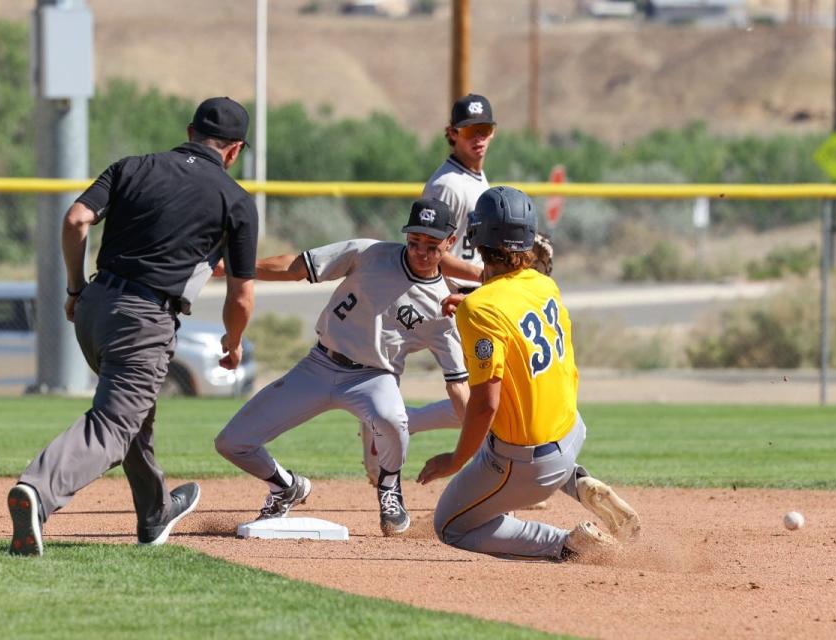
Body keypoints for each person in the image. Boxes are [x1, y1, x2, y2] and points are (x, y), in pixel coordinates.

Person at [6, 97, 258, 556]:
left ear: (189, 131)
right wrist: (234, 341)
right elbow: (241, 296)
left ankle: (155, 513)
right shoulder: (235, 200)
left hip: (94, 307)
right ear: (235, 150)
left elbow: (76, 219)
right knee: (114, 423)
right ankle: (37, 492)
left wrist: (76, 287)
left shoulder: (132, 166)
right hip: (145, 320)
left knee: (132, 414)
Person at [214, 198, 477, 537]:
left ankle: (389, 488)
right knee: (231, 442)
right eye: (414, 241)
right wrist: (240, 268)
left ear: (450, 243)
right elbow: (296, 267)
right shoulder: (369, 253)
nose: (420, 251)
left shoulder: (443, 307)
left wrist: (477, 443)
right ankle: (286, 486)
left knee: (394, 419)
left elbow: (457, 385)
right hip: (319, 364)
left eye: (431, 245)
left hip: (374, 377)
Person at [418, 186, 640, 562]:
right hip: (571, 432)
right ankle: (578, 479)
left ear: (476, 238)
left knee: (451, 526)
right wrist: (473, 302)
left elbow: (485, 405)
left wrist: (454, 460)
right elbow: (506, 301)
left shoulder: (480, 310)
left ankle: (567, 544)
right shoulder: (544, 284)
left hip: (528, 464)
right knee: (517, 417)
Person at [359, 93, 497, 482]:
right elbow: (430, 250)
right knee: (478, 399)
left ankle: (399, 423)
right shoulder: (448, 184)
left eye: (485, 130)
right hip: (446, 299)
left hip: (467, 296)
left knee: (481, 398)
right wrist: (482, 275)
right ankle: (395, 427)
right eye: (470, 131)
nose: (478, 138)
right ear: (452, 134)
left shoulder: (473, 177)